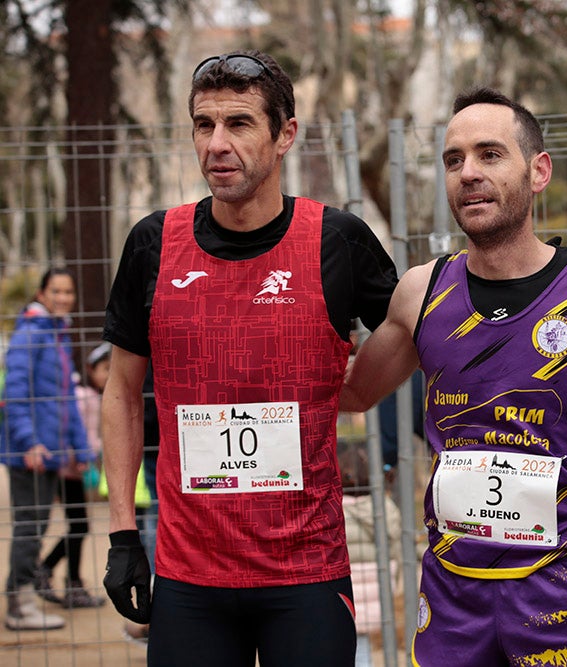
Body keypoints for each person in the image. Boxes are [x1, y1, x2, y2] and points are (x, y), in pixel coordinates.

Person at [99, 49, 397, 666]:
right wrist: (123, 533)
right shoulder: (154, 243)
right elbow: (123, 393)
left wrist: (356, 392)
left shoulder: (336, 239)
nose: (217, 143)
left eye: (238, 124)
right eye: (203, 125)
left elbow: (421, 327)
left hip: (306, 570)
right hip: (189, 574)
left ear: (285, 134)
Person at [341, 87, 567, 667]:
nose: (468, 173)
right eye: (454, 159)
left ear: (538, 171)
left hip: (566, 592)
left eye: (490, 154)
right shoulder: (421, 292)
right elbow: (355, 394)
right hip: (453, 597)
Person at [2, 268, 96, 630]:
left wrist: (80, 448)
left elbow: (66, 400)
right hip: (31, 452)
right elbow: (15, 393)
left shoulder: (57, 336)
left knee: (39, 523)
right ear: (41, 294)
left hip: (52, 450)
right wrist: (30, 441)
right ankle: (20, 604)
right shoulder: (30, 334)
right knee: (30, 525)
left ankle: (24, 598)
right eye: (56, 290)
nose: (63, 297)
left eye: (68, 291)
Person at [34, 341, 110, 610]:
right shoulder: (81, 396)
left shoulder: (97, 396)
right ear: (90, 369)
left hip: (79, 468)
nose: (108, 374)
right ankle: (56, 575)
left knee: (78, 526)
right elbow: (68, 430)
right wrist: (79, 456)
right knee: (79, 526)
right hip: (69, 470)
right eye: (104, 369)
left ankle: (55, 574)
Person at [338, 439, 402, 667]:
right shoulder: (383, 508)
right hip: (379, 588)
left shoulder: (335, 508)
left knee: (348, 647)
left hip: (346, 589)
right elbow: (396, 542)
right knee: (366, 648)